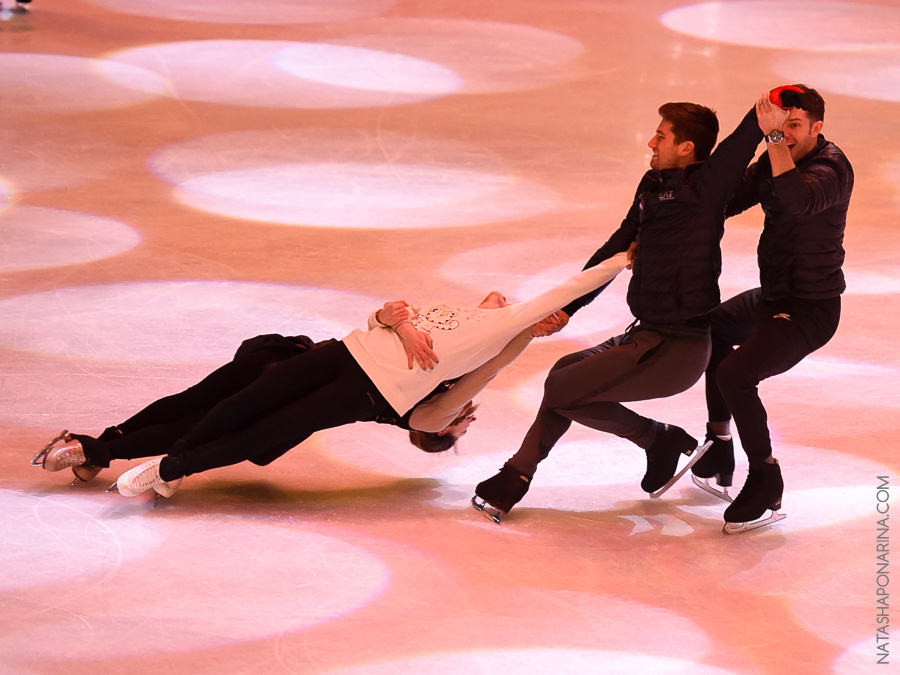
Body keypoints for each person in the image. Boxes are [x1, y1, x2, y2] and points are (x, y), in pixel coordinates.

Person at [32, 255, 627, 500]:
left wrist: (625, 255)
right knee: (203, 403)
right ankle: (109, 451)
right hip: (327, 353)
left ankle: (139, 459)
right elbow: (379, 316)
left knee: (226, 415)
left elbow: (561, 293)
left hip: (351, 379)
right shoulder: (468, 317)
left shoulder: (495, 340)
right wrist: (395, 319)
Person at [472, 98, 766, 523]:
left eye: (661, 135)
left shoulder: (704, 189)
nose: (651, 141)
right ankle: (520, 475)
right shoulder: (652, 186)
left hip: (677, 348)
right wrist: (566, 308)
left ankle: (650, 442)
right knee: (563, 375)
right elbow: (615, 248)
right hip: (645, 336)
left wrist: (765, 114)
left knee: (561, 390)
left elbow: (738, 148)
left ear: (686, 147)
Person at [689, 84, 853, 534]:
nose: (785, 134)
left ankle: (765, 476)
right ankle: (721, 442)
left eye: (794, 126)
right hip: (775, 297)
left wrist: (774, 141)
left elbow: (798, 201)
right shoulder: (771, 160)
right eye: (779, 126)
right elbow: (727, 200)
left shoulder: (832, 168)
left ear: (817, 128)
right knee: (715, 328)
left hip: (810, 309)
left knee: (737, 374)